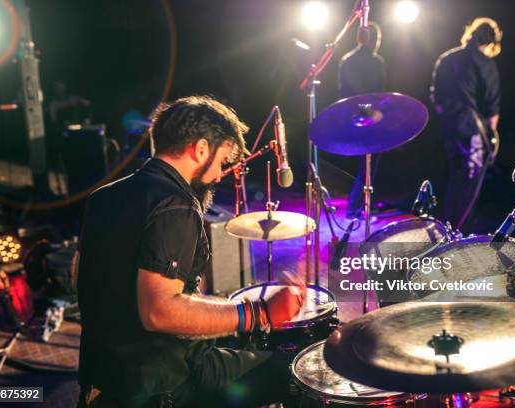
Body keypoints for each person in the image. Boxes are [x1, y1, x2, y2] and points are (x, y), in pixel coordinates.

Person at [76, 95, 306, 407]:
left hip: (102, 381)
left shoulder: (104, 196)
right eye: (222, 161)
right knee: (294, 371)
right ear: (200, 149)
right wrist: (259, 313)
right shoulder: (176, 204)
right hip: (162, 388)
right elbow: (159, 312)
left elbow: (79, 273)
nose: (219, 174)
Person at [430, 17, 502, 228]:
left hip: (448, 125)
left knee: (455, 175)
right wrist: (492, 136)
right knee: (470, 181)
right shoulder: (486, 63)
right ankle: (458, 230)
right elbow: (492, 104)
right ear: (490, 41)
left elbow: (435, 95)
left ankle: (446, 226)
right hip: (472, 129)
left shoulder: (446, 58)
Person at [338, 22, 387, 219]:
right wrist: (371, 113)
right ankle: (357, 208)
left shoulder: (346, 60)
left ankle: (359, 207)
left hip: (350, 115)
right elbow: (377, 93)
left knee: (362, 163)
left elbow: (343, 93)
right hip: (368, 115)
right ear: (373, 39)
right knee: (368, 163)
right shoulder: (376, 62)